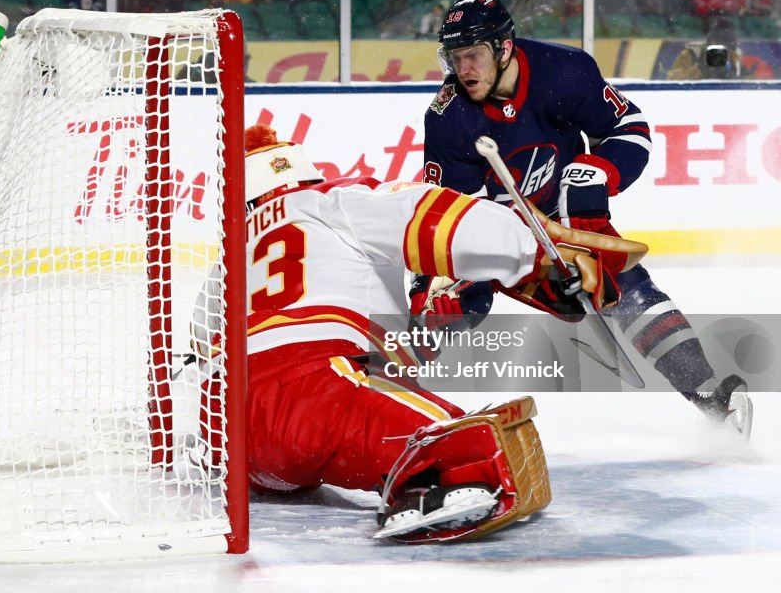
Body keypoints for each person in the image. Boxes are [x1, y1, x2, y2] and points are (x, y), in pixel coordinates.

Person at [200, 124, 648, 543]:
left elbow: (200, 348)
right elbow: (440, 221)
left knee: (333, 426)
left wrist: (426, 329)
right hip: (316, 390)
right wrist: (536, 254)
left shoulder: (228, 258)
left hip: (227, 433)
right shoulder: (332, 200)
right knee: (480, 449)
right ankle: (436, 481)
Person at [417, 0, 752, 436]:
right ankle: (388, 391)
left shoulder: (565, 71)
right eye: (455, 57)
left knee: (621, 280)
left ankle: (709, 394)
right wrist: (436, 283)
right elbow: (448, 215)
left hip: (566, 215)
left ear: (504, 47)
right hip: (495, 227)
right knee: (446, 303)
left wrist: (598, 173)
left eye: (474, 54)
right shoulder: (449, 116)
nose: (464, 70)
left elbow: (628, 128)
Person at [666, 16, 744, 80]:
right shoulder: (693, 54)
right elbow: (671, 80)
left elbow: (746, 88)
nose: (718, 51)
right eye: (716, 42)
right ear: (709, 41)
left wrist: (741, 76)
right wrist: (698, 70)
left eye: (725, 45)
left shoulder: (735, 57)